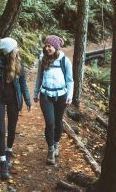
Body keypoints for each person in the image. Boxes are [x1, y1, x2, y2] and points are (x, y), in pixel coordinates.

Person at [0, 37, 32, 180]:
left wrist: (28, 100)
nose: (17, 50)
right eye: (15, 49)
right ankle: (3, 163)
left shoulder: (19, 61)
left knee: (12, 128)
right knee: (1, 130)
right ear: (8, 52)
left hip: (14, 100)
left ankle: (9, 152)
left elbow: (23, 82)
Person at [33, 35, 73, 165]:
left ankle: (56, 144)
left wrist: (70, 95)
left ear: (56, 47)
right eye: (46, 45)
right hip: (45, 95)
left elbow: (70, 80)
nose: (47, 48)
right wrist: (35, 93)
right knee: (50, 123)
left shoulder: (64, 61)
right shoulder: (42, 59)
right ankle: (50, 150)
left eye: (49, 46)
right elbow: (39, 78)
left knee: (58, 121)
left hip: (61, 95)